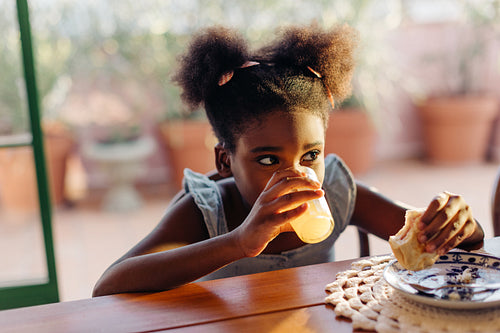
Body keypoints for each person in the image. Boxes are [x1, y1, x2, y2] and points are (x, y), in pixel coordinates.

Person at [92, 24, 484, 297]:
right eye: (267, 160)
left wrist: (459, 224)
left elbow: (452, 244)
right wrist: (238, 242)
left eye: (311, 155)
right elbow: (109, 285)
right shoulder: (209, 210)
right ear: (225, 161)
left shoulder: (335, 192)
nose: (295, 174)